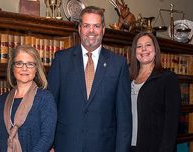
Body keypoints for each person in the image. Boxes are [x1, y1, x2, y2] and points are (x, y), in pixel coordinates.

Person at [47, 6, 132, 152]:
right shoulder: (61, 60)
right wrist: (49, 145)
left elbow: (124, 118)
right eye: (86, 26)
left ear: (103, 30)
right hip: (66, 146)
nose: (91, 31)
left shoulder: (118, 64)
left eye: (96, 26)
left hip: (104, 147)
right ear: (79, 29)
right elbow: (49, 107)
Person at [0, 45, 57, 152]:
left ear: (36, 69)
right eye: (19, 63)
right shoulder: (2, 100)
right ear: (12, 68)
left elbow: (47, 138)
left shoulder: (45, 98)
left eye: (30, 64)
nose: (24, 68)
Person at [129, 31, 181, 152]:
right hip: (129, 146)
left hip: (154, 147)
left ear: (155, 49)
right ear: (134, 51)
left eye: (148, 45)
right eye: (139, 46)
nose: (143, 49)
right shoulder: (127, 79)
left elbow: (171, 124)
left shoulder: (168, 78)